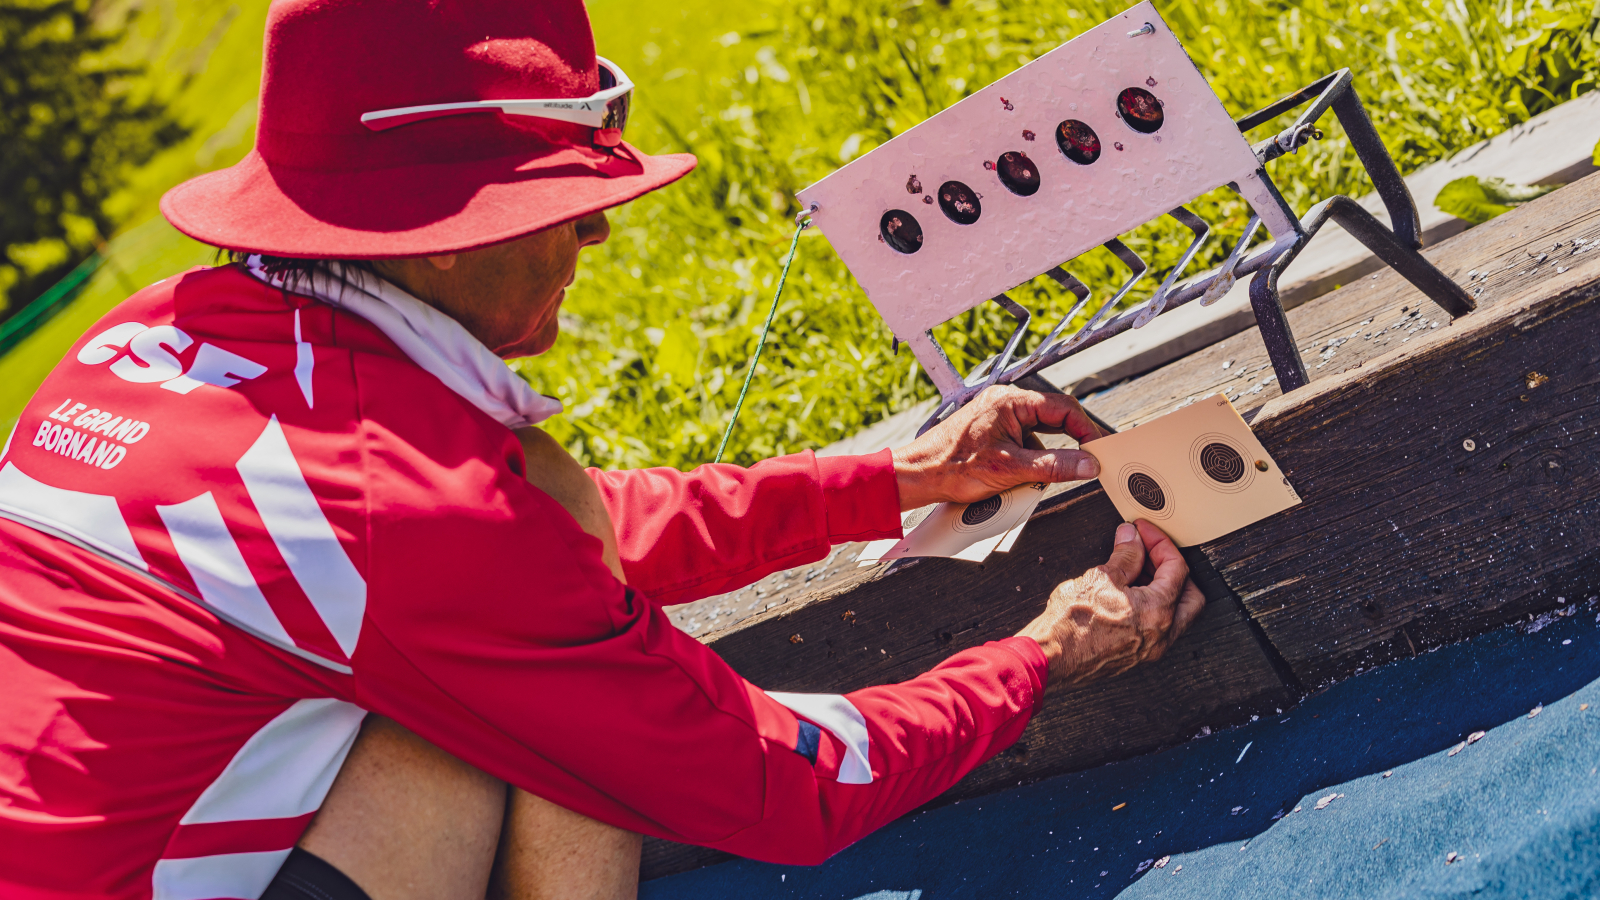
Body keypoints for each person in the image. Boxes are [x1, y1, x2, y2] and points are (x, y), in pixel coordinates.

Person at [0, 1, 1206, 898]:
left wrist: (893, 481)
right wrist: (1043, 658)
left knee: (515, 686)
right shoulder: (408, 509)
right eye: (563, 210)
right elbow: (783, 789)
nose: (590, 236)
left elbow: (522, 561)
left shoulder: (155, 334)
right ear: (439, 241)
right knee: (569, 736)